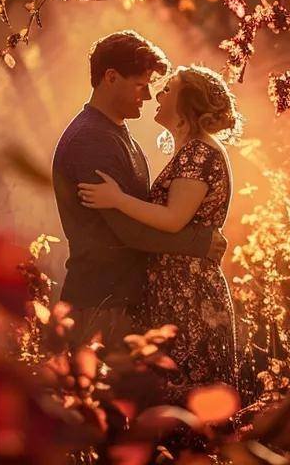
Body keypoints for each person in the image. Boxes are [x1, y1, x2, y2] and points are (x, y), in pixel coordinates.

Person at [77, 64, 240, 394]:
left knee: (188, 397)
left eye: (167, 90)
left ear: (185, 104)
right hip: (176, 288)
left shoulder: (199, 151)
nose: (156, 95)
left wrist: (117, 199)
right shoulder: (190, 150)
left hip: (190, 292)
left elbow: (172, 219)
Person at [51, 31, 221, 346]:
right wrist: (199, 243)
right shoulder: (91, 141)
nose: (147, 97)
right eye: (141, 86)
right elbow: (126, 229)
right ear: (111, 78)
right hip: (101, 302)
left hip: (121, 300)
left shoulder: (116, 133)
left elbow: (140, 210)